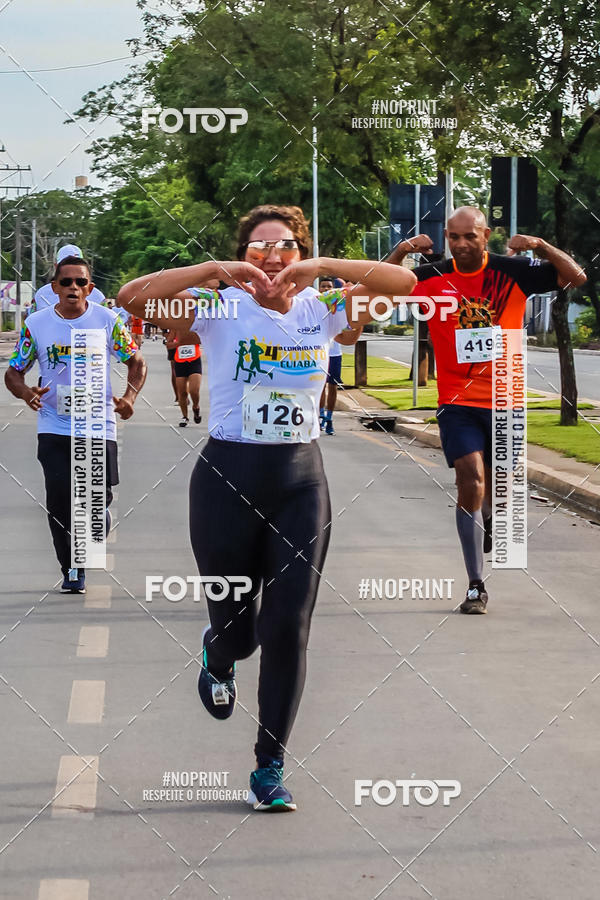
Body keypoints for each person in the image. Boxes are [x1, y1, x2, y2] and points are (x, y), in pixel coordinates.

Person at [117, 203, 416, 811]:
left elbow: (404, 284)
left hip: (300, 481)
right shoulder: (218, 307)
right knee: (240, 631)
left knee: (288, 626)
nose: (271, 258)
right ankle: (218, 652)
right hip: (227, 477)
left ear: (301, 253)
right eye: (258, 248)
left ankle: (269, 765)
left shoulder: (325, 307)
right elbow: (133, 298)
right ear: (243, 255)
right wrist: (215, 268)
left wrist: (325, 267)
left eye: (284, 248)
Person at [392, 208, 586, 614]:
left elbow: (575, 276)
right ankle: (475, 585)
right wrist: (402, 250)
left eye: (470, 236)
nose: (461, 244)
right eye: (454, 237)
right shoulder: (430, 277)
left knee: (497, 489)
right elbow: (377, 287)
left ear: (487, 235)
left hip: (505, 398)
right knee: (470, 478)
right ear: (446, 236)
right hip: (457, 402)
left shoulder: (513, 271)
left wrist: (541, 246)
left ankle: (491, 521)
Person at [5, 255, 146, 593]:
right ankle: (72, 569)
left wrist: (129, 399)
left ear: (90, 288)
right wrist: (26, 392)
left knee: (95, 501)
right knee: (60, 502)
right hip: (53, 426)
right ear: (54, 287)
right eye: (65, 282)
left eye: (80, 282)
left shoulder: (108, 321)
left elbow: (136, 362)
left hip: (98, 426)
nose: (72, 288)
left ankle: (97, 525)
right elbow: (13, 372)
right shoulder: (36, 324)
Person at [31, 244, 105, 312]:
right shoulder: (41, 295)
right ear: (56, 267)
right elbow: (31, 322)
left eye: (76, 264)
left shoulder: (98, 297)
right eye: (66, 264)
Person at [167, 328, 203, 426]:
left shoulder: (195, 326)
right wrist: (177, 343)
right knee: (182, 393)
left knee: (194, 390)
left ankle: (196, 407)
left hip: (194, 361)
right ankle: (185, 417)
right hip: (180, 362)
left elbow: (204, 338)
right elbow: (168, 344)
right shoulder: (176, 328)